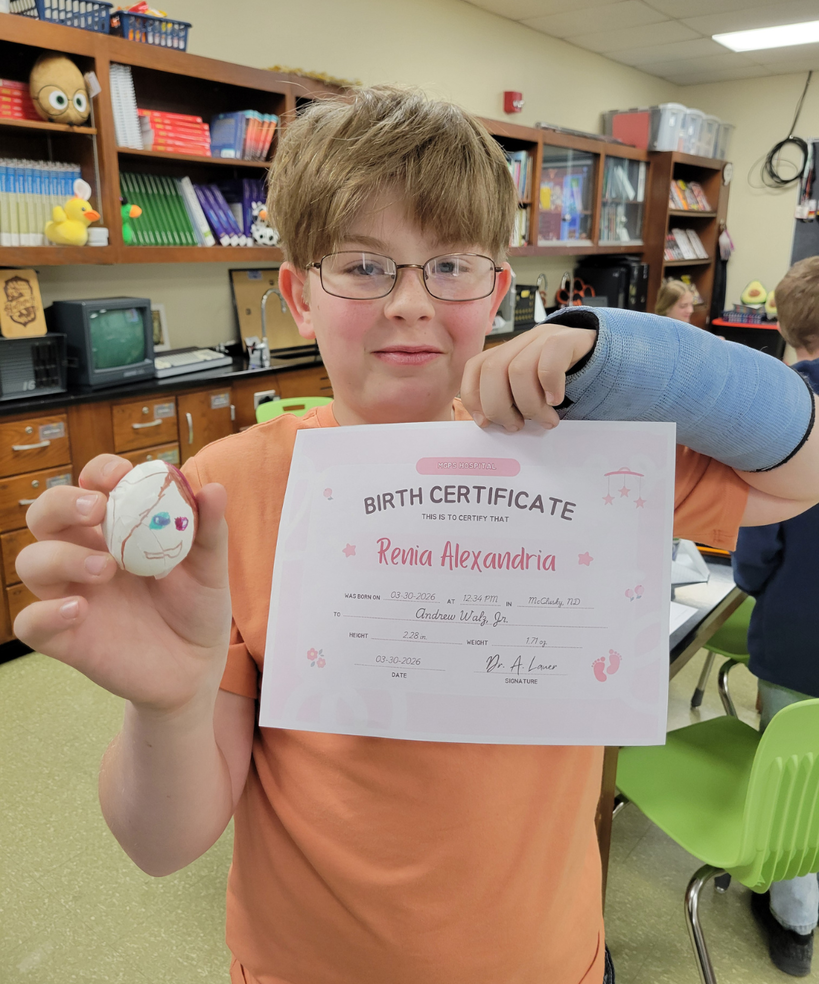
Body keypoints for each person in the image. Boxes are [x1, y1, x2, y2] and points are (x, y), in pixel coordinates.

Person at [13, 87, 819, 984]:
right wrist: (167, 708)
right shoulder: (226, 495)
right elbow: (163, 847)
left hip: (541, 961)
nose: (407, 302)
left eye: (449, 266)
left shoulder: (585, 460)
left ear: (497, 292)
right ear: (298, 297)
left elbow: (800, 468)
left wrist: (620, 354)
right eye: (361, 267)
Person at [732, 255, 819, 978]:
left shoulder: (784, 415)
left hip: (798, 637)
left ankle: (794, 918)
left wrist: (755, 582)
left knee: (794, 772)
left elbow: (755, 550)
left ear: (786, 329)